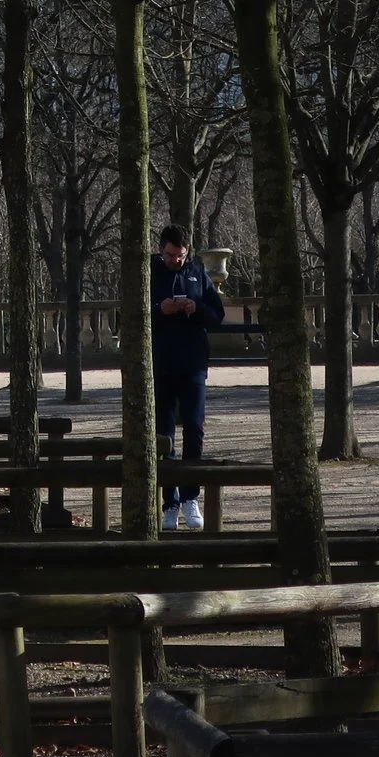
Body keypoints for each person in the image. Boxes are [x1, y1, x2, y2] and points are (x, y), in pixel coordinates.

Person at [152, 224, 226, 531]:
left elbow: (217, 314)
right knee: (164, 433)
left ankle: (190, 496)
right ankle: (169, 503)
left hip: (194, 362)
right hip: (161, 363)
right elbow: (132, 313)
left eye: (180, 256)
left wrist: (196, 308)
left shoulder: (197, 272)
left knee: (194, 427)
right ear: (161, 249)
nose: (176, 261)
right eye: (170, 255)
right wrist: (161, 309)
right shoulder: (151, 273)